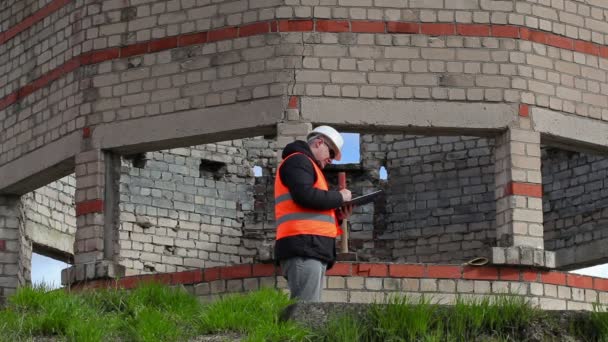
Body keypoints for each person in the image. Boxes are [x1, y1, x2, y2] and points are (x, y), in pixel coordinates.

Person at [274, 125, 353, 302]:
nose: (331, 160)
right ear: (319, 143)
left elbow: (312, 211)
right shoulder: (299, 161)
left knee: (308, 309)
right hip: (304, 247)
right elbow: (305, 196)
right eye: (331, 154)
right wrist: (339, 196)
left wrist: (339, 216)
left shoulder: (307, 165)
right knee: (306, 312)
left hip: (310, 247)